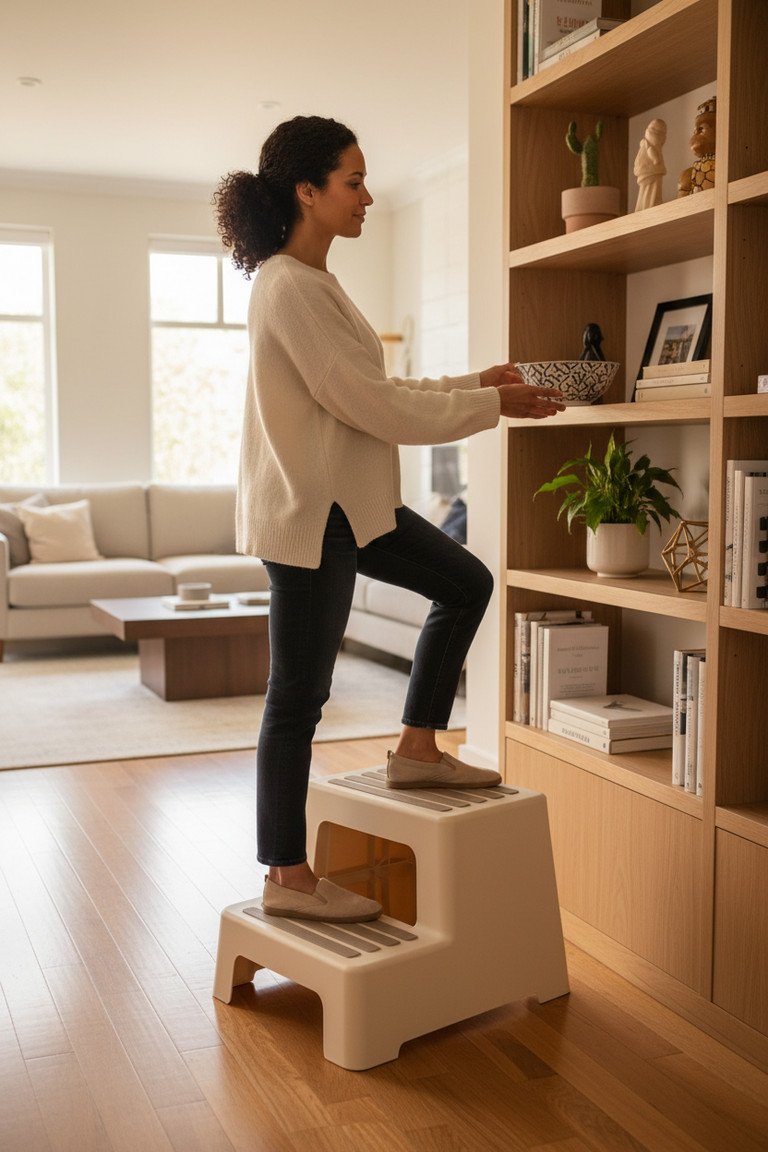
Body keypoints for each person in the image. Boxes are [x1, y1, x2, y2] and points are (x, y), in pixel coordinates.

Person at [214, 115, 565, 923]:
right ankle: (286, 878)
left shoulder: (316, 282)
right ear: (307, 191)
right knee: (297, 699)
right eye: (354, 181)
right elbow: (372, 405)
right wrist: (491, 406)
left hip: (355, 508)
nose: (367, 196)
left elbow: (377, 389)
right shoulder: (287, 285)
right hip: (314, 517)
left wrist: (475, 383)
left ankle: (416, 747)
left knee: (464, 582)